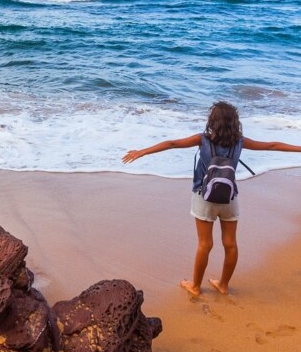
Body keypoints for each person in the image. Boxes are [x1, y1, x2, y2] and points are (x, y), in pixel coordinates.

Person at [122, 101, 301, 296]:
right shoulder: (240, 142)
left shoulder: (202, 140)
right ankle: (223, 285)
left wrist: (142, 151)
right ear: (235, 123)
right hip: (230, 198)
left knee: (205, 244)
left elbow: (172, 143)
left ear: (212, 121)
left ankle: (196, 286)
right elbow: (272, 145)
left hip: (204, 197)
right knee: (230, 243)